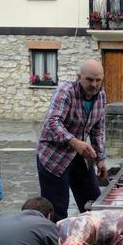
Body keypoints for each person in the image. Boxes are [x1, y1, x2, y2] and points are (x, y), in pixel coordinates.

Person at [37, 59, 108, 221]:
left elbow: (97, 129)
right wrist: (75, 142)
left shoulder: (101, 96)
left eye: (98, 80)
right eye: (89, 79)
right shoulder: (66, 91)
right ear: (79, 77)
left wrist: (100, 158)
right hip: (54, 156)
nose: (94, 84)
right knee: (57, 211)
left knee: (93, 203)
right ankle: (55, 243)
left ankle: (89, 241)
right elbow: (52, 122)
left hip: (80, 155)